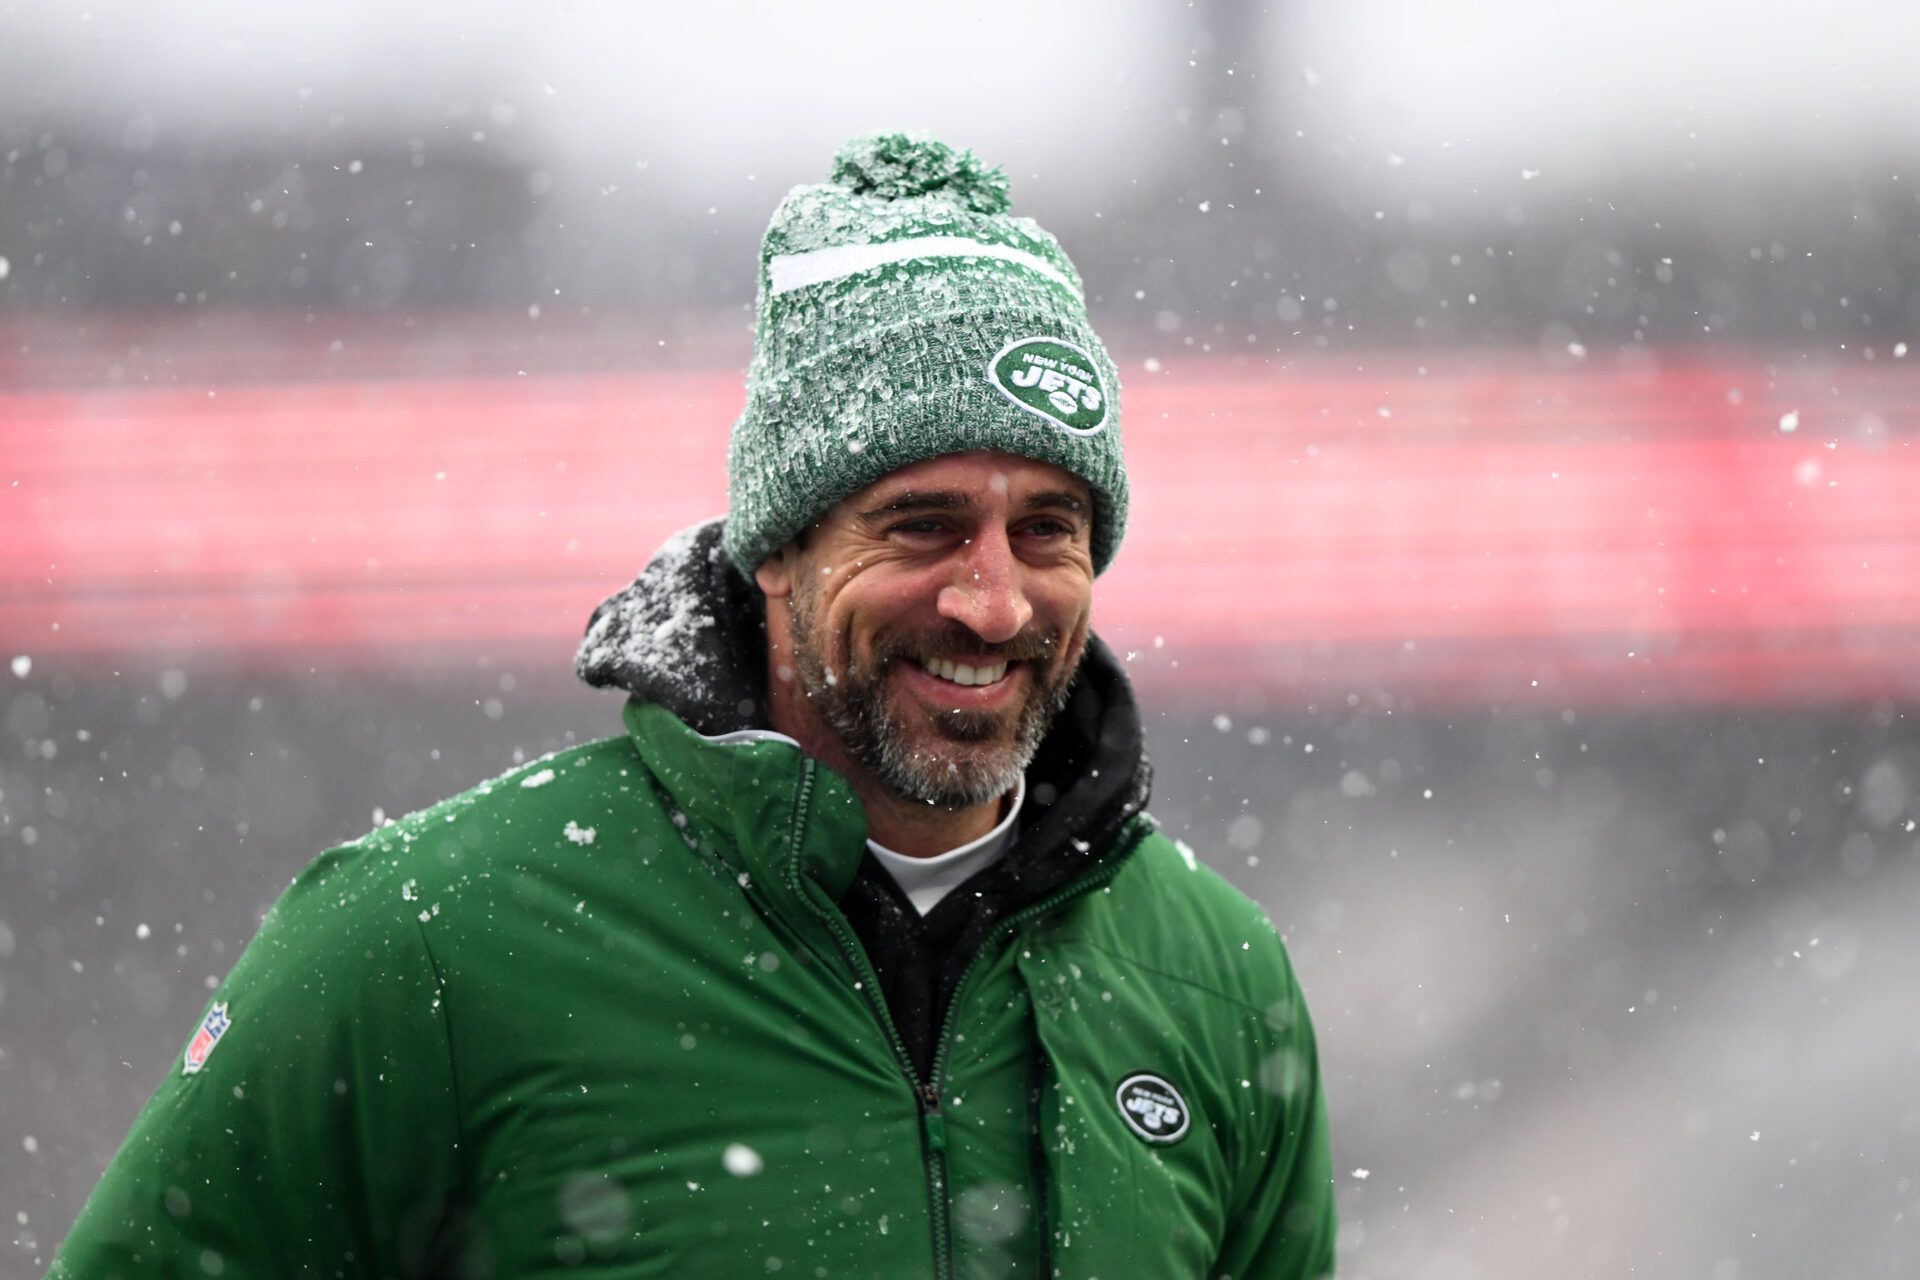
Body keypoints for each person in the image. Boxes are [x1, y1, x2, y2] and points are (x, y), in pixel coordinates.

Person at [52, 131, 1335, 1279]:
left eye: (1047, 529)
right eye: (923, 526)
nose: (993, 601)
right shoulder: (430, 943)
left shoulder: (1216, 980)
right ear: (776, 549)